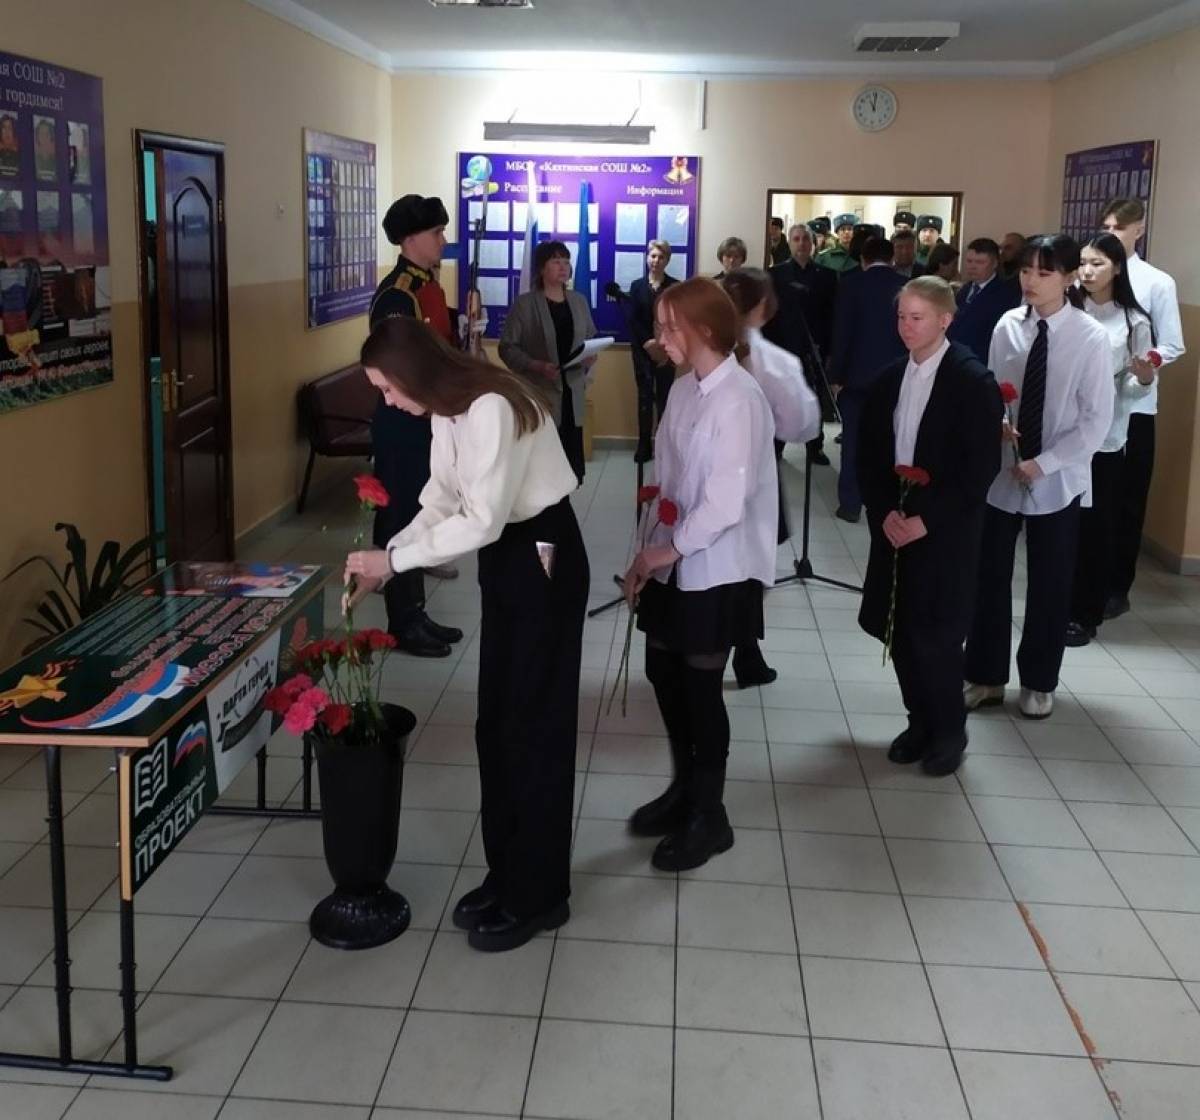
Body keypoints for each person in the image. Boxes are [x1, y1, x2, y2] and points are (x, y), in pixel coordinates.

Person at [345, 316, 589, 952]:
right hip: (509, 558)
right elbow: (440, 498)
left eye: (387, 388)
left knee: (534, 726)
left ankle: (540, 894)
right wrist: (387, 555)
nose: (387, 402)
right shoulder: (449, 410)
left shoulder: (489, 406)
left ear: (412, 373)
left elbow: (480, 520)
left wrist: (394, 563)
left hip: (543, 554)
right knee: (498, 724)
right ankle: (507, 873)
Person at [623, 278, 777, 872]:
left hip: (718, 568)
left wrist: (667, 551)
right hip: (674, 557)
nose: (660, 339)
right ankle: (684, 788)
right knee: (662, 670)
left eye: (670, 328)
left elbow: (725, 502)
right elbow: (666, 481)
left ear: (706, 330)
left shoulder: (740, 397)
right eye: (659, 327)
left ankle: (710, 816)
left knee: (701, 690)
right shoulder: (685, 387)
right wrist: (645, 549)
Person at [963, 235, 1113, 720]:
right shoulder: (1008, 325)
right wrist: (997, 423)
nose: (1031, 280)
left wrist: (1044, 463)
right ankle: (985, 675)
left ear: (1068, 278)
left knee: (1050, 582)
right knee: (989, 576)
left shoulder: (1090, 338)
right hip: (1005, 470)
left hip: (1058, 477)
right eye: (1026, 270)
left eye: (1044, 272)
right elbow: (993, 389)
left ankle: (1039, 681)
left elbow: (1095, 421)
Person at [858, 276, 1002, 776]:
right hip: (895, 518)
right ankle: (918, 721)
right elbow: (869, 457)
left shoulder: (972, 381)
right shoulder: (889, 379)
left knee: (935, 634)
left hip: (944, 526)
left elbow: (979, 468)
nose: (906, 326)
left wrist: (926, 519)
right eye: (901, 316)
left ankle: (948, 730)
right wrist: (885, 512)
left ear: (945, 319)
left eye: (917, 317)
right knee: (899, 628)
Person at [368, 193, 465, 659]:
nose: (443, 240)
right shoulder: (397, 294)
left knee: (420, 510)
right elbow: (399, 369)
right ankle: (402, 622)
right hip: (402, 421)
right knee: (401, 517)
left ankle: (417, 611)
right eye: (436, 233)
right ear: (410, 239)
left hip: (427, 418)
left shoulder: (429, 286)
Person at [721, 267, 821, 687]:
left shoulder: (701, 349)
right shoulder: (776, 363)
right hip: (755, 475)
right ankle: (745, 654)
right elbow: (802, 426)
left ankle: (735, 651)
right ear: (764, 306)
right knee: (746, 569)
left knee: (714, 560)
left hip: (708, 473)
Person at [1099, 197, 1187, 619]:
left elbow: (1172, 344)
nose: (1111, 235)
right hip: (1095, 406)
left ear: (1139, 229)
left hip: (1136, 405)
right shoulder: (1092, 274)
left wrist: (1145, 364)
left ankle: (1117, 586)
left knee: (1128, 498)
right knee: (1094, 497)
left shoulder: (1156, 282)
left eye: (1119, 228)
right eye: (1107, 227)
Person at [1067, 234, 1156, 646]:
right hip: (1062, 436)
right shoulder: (1068, 308)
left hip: (1105, 439)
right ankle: (1057, 604)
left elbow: (1134, 390)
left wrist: (1144, 378)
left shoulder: (1134, 321)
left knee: (1096, 528)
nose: (1087, 271)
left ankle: (1085, 613)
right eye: (1083, 263)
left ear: (1117, 268)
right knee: (1061, 526)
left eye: (1098, 263)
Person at [499, 239, 597, 483]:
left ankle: (565, 501)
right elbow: (507, 348)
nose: (563, 266)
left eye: (566, 261)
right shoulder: (525, 304)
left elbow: (590, 337)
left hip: (572, 393)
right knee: (543, 467)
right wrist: (536, 365)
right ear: (542, 268)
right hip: (541, 392)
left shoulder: (579, 301)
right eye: (555, 261)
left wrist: (590, 356)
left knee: (569, 464)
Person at [828, 236, 907, 523]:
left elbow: (842, 333)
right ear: (892, 258)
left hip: (856, 377)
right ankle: (885, 502)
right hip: (895, 378)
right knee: (890, 441)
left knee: (853, 441)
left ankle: (850, 504)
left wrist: (836, 376)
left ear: (863, 259)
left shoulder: (851, 284)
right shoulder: (906, 286)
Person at [766, 223, 837, 464]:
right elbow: (769, 315)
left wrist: (830, 350)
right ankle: (777, 446)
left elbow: (831, 316)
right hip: (784, 346)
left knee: (814, 398)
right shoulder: (775, 274)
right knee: (781, 399)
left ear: (813, 243)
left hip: (815, 348)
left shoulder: (827, 276)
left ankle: (815, 447)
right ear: (790, 242)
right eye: (796, 239)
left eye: (806, 239)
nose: (801, 244)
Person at [620, 239, 678, 462]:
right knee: (644, 397)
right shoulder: (636, 286)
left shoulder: (675, 287)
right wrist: (647, 342)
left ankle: (663, 445)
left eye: (661, 257)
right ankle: (644, 444)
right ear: (647, 258)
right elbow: (633, 319)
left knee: (665, 398)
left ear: (667, 260)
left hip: (667, 350)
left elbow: (676, 321)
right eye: (653, 256)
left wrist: (662, 344)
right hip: (642, 350)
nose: (656, 260)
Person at [948, 237, 1021, 363]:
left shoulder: (1006, 295)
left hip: (980, 362)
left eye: (980, 262)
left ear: (994, 264)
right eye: (969, 261)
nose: (972, 267)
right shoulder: (964, 290)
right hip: (955, 358)